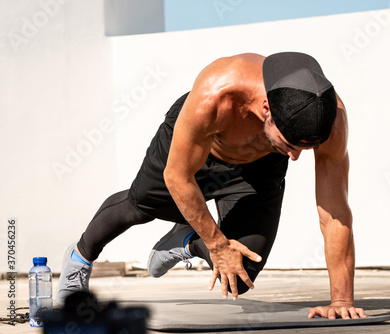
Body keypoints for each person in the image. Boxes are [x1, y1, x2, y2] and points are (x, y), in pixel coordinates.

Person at [56, 52, 366, 320]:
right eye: (289, 144)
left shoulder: (330, 120)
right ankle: (79, 258)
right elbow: (178, 177)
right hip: (197, 149)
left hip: (258, 168)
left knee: (240, 272)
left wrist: (341, 301)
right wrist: (217, 245)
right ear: (266, 110)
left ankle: (185, 242)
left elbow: (335, 211)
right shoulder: (217, 93)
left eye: (304, 148)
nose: (296, 157)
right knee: (139, 207)